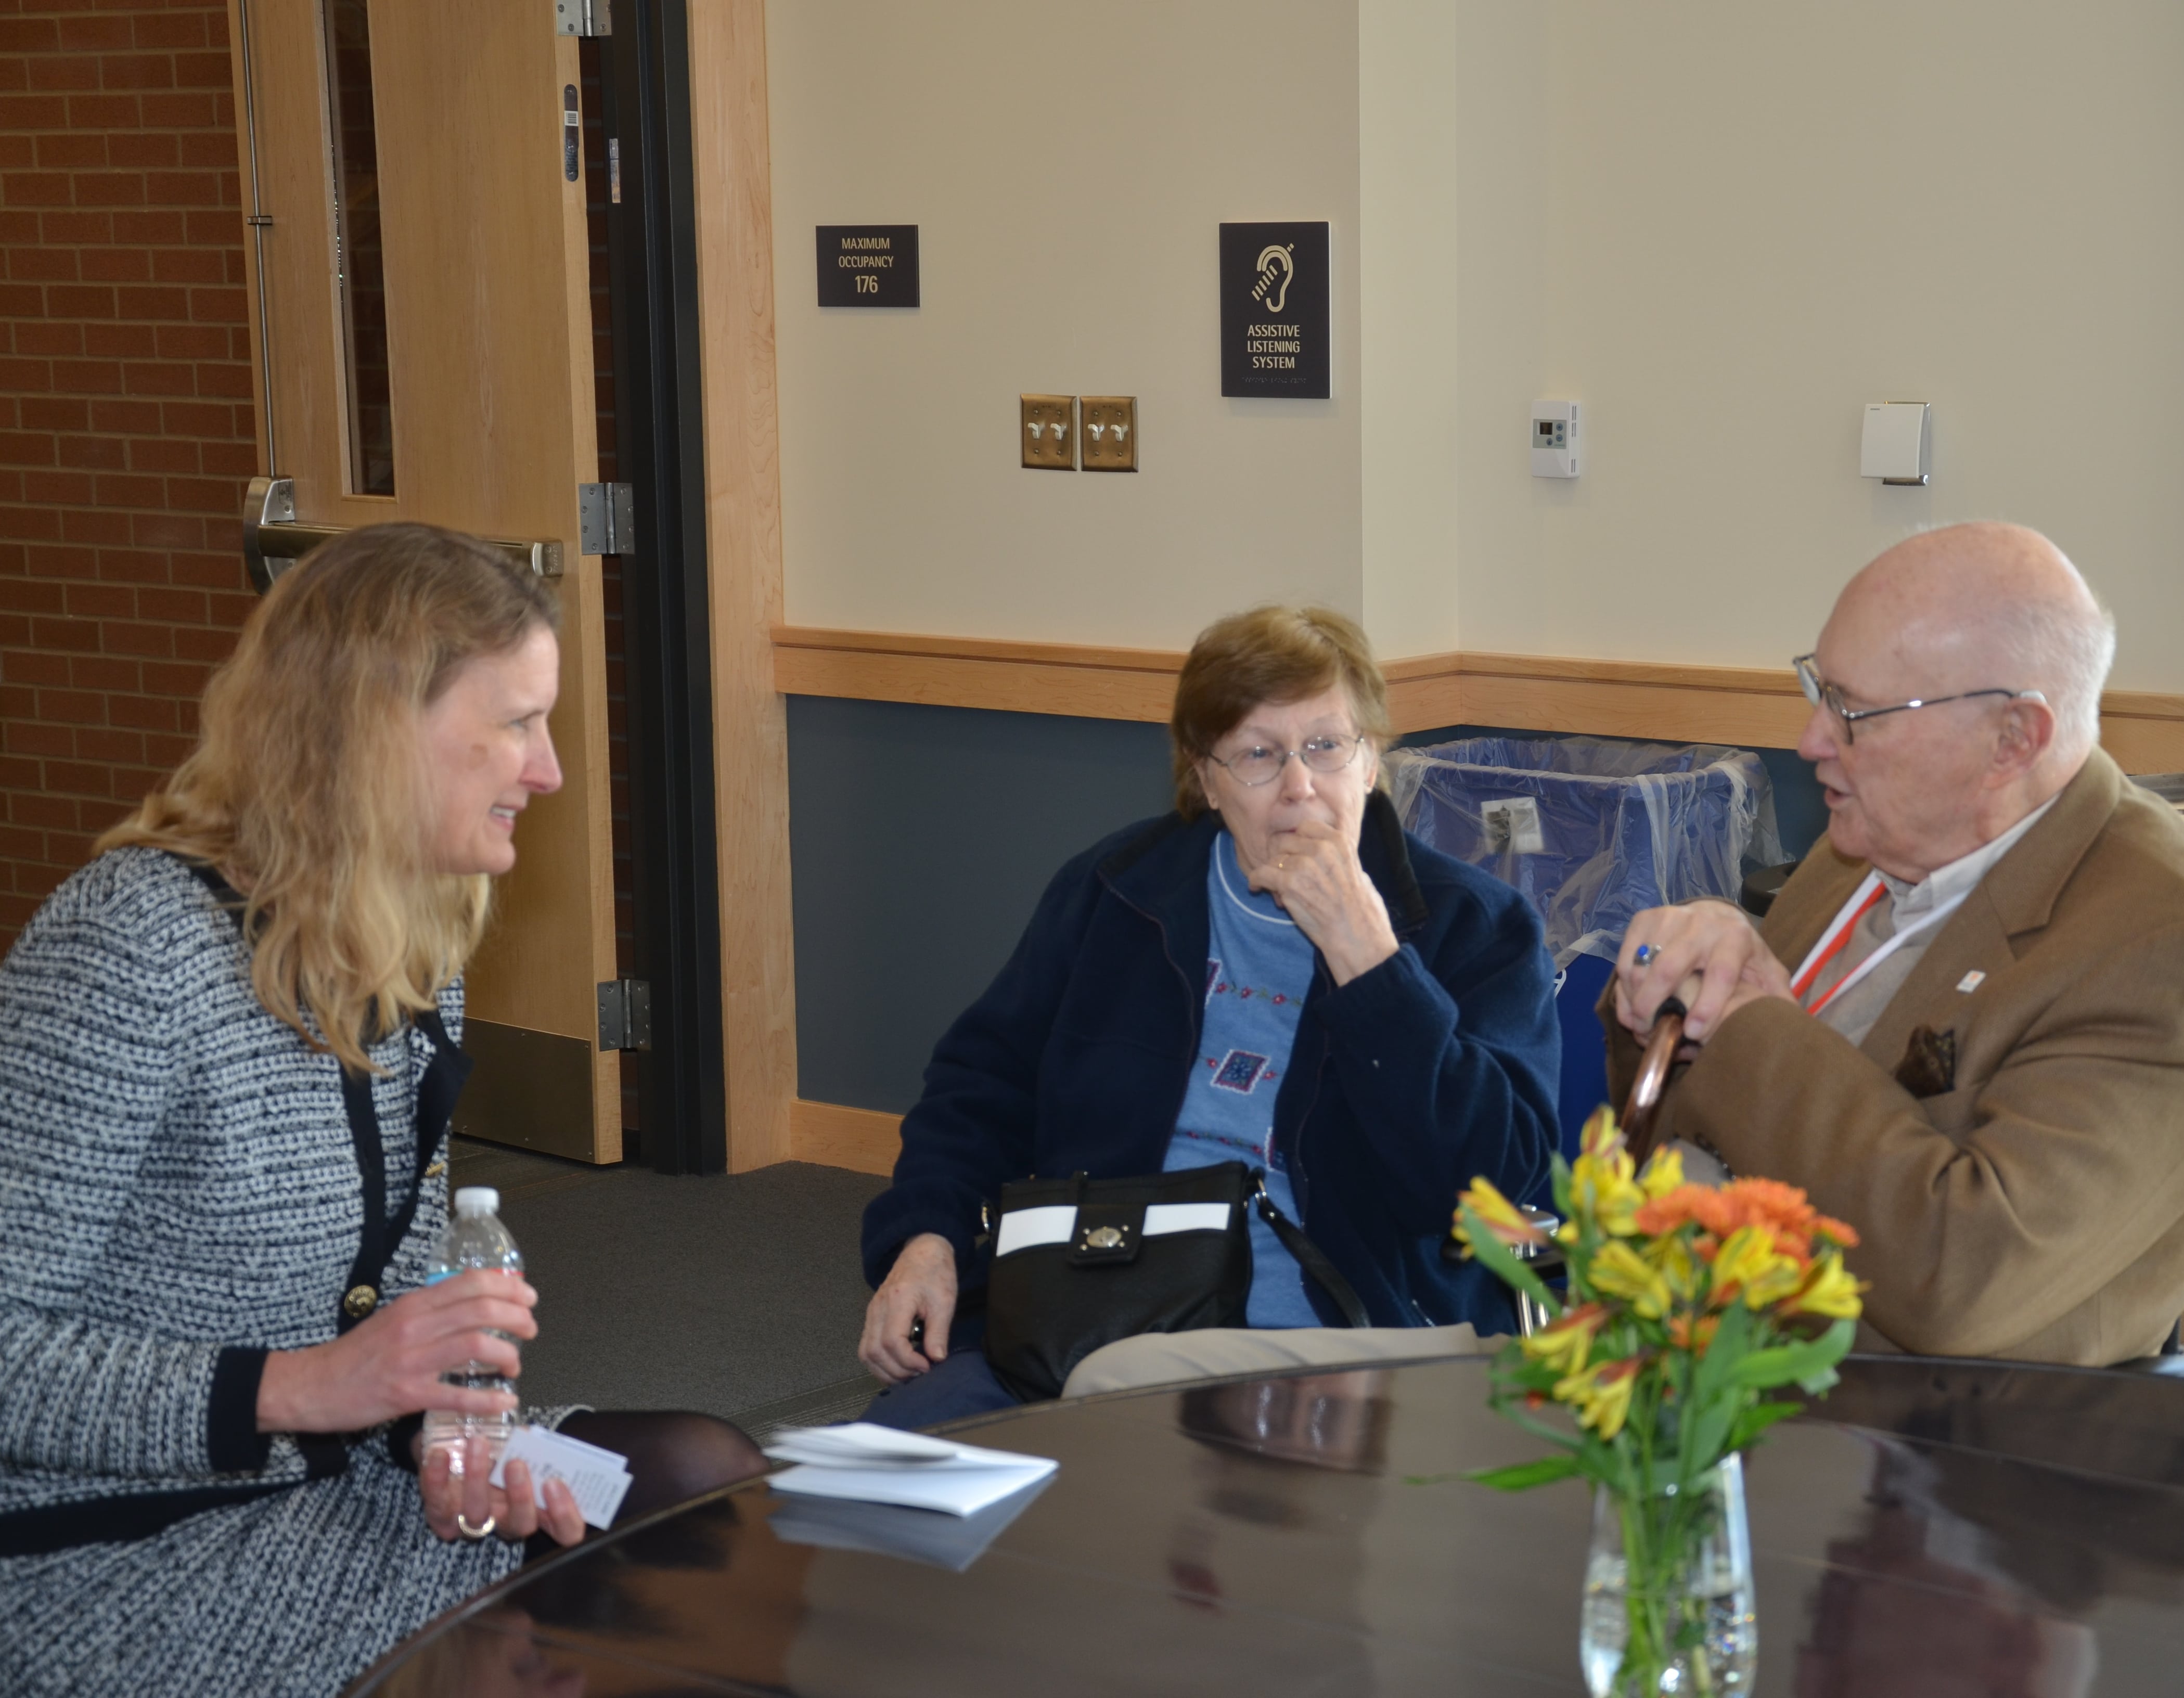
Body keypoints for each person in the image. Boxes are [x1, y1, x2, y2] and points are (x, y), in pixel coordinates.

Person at [0, 525, 763, 1698]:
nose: (549, 770)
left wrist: (447, 1430)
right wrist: (301, 1388)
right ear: (377, 732)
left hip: (325, 1477)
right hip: (103, 1539)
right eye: (516, 723)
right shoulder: (134, 946)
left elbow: (399, 1288)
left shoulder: (409, 935)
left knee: (702, 1479)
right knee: (601, 1623)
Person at [856, 605, 1560, 1427]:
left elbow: (1501, 1184)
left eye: (1327, 746)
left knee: (1118, 1455)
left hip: (1345, 1332)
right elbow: (981, 1086)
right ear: (1206, 778)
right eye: (1260, 755)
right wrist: (927, 1239)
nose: (1301, 786)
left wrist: (1373, 964)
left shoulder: (1474, 928)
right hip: (1081, 1310)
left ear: (1371, 762)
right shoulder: (1119, 893)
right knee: (864, 1481)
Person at [1605, 523, 2184, 1368]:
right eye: (1819, 689)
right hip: (1714, 1382)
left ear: (2013, 741)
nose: (1812, 739)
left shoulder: (2174, 942)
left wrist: (1748, 1021)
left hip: (1960, 1455)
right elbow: (1684, 1126)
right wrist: (1670, 989)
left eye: (1855, 712)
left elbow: (1966, 1277)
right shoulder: (1865, 847)